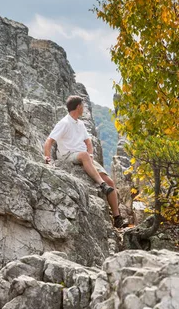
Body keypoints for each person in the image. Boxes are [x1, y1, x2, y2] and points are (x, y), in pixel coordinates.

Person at [44, 95, 125, 228]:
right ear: (78, 107)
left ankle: (117, 217)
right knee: (84, 155)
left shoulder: (80, 124)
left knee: (111, 182)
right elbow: (49, 141)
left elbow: (88, 141)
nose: (84, 109)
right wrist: (47, 158)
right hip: (68, 155)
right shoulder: (64, 123)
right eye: (83, 106)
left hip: (84, 156)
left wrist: (91, 154)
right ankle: (101, 184)